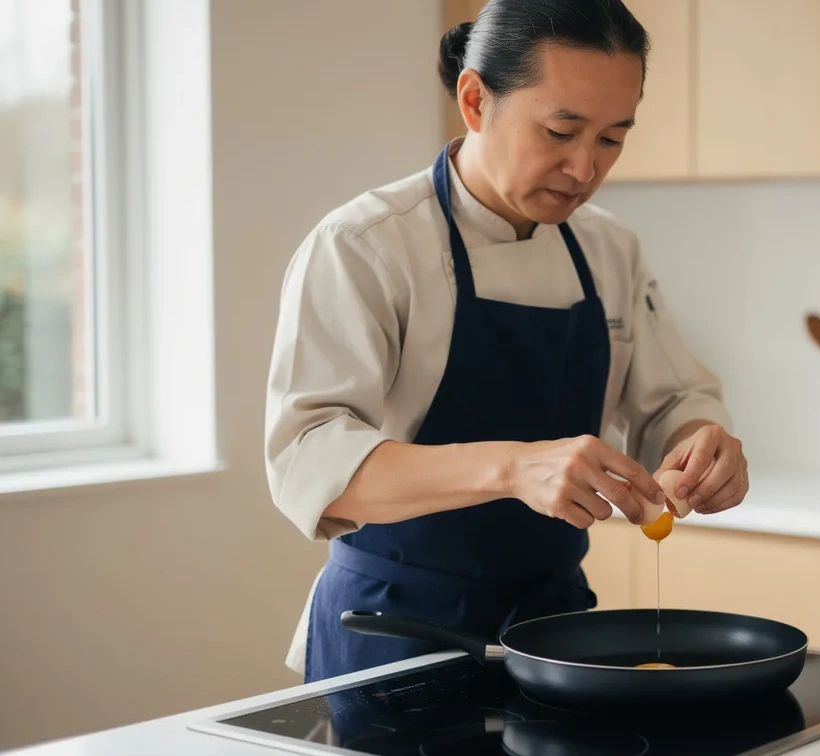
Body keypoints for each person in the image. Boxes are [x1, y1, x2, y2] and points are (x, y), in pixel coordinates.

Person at [263, 0, 749, 683]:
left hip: (553, 632)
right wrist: (513, 469)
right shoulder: (366, 246)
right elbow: (306, 461)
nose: (584, 168)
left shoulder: (609, 248)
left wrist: (701, 444)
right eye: (560, 131)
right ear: (474, 101)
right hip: (391, 632)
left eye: (612, 139)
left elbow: (673, 399)